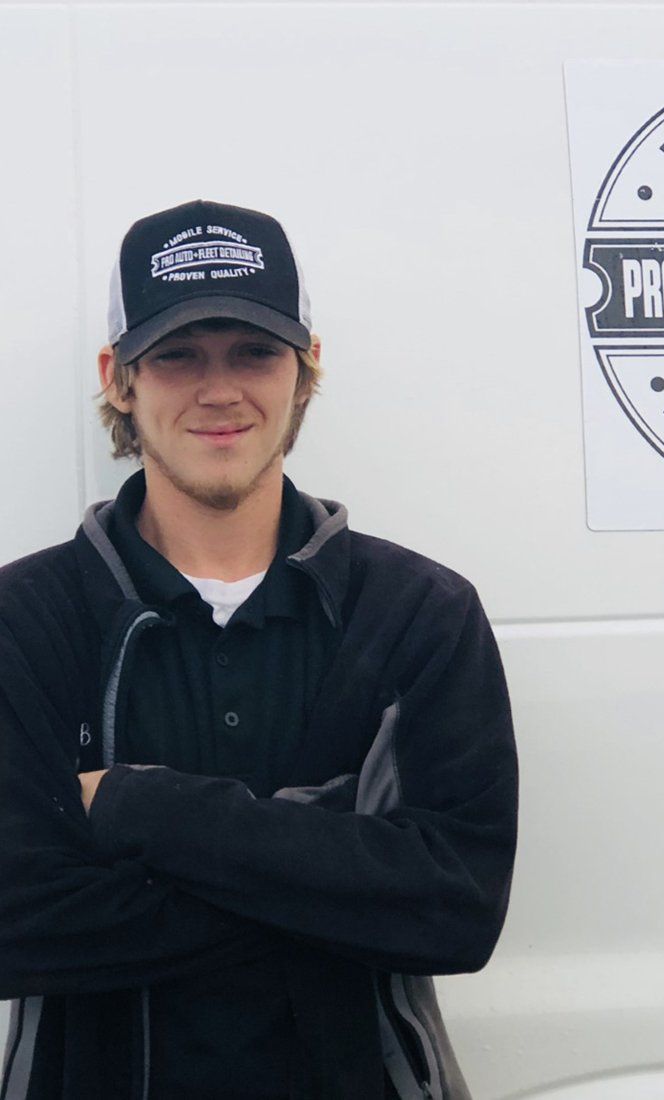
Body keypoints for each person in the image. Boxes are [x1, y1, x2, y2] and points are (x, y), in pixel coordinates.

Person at [0, 199, 518, 1099]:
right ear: (118, 378)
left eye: (254, 351)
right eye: (176, 355)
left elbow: (454, 910)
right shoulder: (25, 622)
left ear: (306, 367)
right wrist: (339, 868)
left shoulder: (419, 614)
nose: (219, 388)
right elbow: (14, 923)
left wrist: (137, 811)